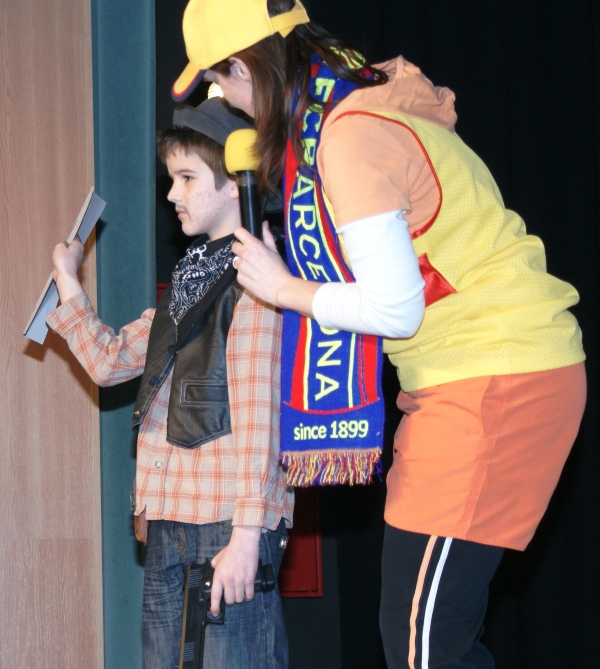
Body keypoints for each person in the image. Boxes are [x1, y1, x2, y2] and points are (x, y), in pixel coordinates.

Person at [171, 1, 587, 667]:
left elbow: (397, 309)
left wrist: (284, 287)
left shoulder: (349, 136)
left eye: (219, 82)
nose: (226, 101)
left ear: (245, 67)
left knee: (427, 647)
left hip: (496, 376)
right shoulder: (360, 103)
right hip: (460, 378)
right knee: (419, 637)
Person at [47, 96, 294, 669]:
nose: (171, 194)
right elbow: (111, 362)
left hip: (226, 519)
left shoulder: (258, 274)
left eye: (187, 178)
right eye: (171, 178)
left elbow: (259, 413)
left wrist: (247, 534)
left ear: (234, 185)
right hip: (172, 520)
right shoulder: (190, 279)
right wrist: (69, 284)